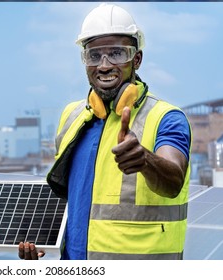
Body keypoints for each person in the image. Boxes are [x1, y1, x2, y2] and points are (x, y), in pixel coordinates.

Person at [19, 3, 191, 260]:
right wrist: (43, 239)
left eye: (117, 54)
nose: (105, 65)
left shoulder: (167, 118)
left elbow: (173, 180)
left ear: (137, 59)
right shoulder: (73, 116)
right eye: (94, 55)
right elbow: (68, 194)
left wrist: (145, 160)